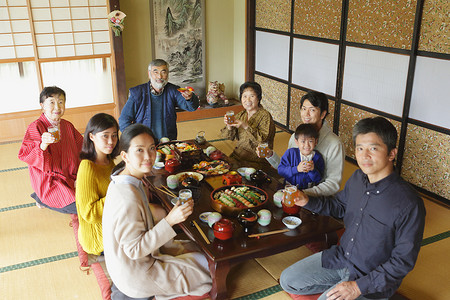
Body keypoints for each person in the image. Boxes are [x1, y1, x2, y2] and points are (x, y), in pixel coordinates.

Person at [280, 117, 426, 300]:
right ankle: (337, 287)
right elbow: (338, 206)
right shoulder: (358, 178)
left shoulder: (409, 203)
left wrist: (357, 287)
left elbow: (402, 261)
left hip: (369, 277)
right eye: (359, 148)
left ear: (391, 153)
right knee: (288, 280)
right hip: (341, 258)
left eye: (373, 148)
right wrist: (307, 201)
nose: (364, 156)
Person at [102, 124, 212, 300]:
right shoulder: (127, 197)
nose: (148, 156)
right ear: (125, 155)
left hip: (131, 264)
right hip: (135, 274)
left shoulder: (122, 179)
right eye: (139, 150)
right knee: (208, 276)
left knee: (200, 253)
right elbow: (134, 250)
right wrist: (170, 221)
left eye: (152, 148)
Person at [261, 91, 344, 196]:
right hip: (292, 192)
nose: (306, 114)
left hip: (316, 198)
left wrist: (302, 194)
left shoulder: (334, 144)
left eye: (312, 110)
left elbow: (333, 184)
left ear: (323, 114)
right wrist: (270, 155)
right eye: (304, 109)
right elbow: (285, 168)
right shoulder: (295, 137)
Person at [18, 86, 83, 214]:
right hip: (49, 181)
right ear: (42, 105)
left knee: (94, 194)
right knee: (81, 207)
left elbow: (82, 148)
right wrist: (43, 145)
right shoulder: (35, 127)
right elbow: (26, 155)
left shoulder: (67, 125)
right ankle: (42, 197)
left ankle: (40, 197)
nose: (57, 107)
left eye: (60, 102)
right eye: (52, 102)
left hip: (71, 176)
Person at [118, 59, 199, 141]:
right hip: (145, 143)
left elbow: (192, 107)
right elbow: (123, 121)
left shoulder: (173, 90)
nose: (160, 76)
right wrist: (135, 139)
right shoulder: (137, 93)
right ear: (149, 74)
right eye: (155, 72)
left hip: (167, 142)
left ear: (167, 74)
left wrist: (189, 98)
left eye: (163, 72)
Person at [75, 113, 119, 256]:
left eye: (114, 135)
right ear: (91, 136)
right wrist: (120, 194)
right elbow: (89, 214)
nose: (111, 141)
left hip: (110, 223)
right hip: (98, 239)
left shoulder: (108, 161)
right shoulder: (87, 166)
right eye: (105, 136)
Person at [220, 81, 275, 169]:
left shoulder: (265, 116)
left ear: (258, 98)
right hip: (238, 156)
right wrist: (229, 126)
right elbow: (228, 137)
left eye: (252, 96)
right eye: (244, 96)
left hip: (256, 161)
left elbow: (263, 139)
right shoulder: (241, 115)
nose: (247, 100)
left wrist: (245, 126)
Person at [278, 123, 325, 189]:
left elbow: (318, 179)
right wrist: (296, 169)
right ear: (296, 142)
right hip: (288, 190)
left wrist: (312, 170)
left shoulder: (317, 157)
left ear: (316, 141)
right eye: (303, 141)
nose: (307, 145)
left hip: (307, 193)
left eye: (310, 141)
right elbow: (281, 170)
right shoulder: (290, 153)